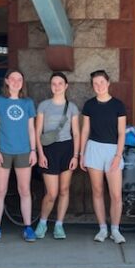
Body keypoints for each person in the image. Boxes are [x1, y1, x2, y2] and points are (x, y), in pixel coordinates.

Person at [0, 69, 37, 243]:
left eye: (20, 79)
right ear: (7, 81)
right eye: (13, 79)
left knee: (24, 190)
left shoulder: (27, 102)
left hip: (24, 150)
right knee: (0, 190)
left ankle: (28, 227)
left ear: (23, 83)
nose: (16, 82)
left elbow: (31, 129)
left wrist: (33, 151)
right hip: (3, 151)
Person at [80, 69, 127, 244]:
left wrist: (118, 155)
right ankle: (102, 228)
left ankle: (115, 229)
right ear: (92, 86)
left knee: (116, 194)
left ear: (108, 83)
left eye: (102, 82)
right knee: (97, 191)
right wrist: (81, 154)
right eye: (95, 83)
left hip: (113, 150)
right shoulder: (89, 105)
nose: (99, 86)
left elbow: (122, 133)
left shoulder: (118, 105)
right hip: (94, 149)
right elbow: (85, 130)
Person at [34, 72, 80, 240]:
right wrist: (40, 153)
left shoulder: (72, 107)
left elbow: (76, 132)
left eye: (60, 83)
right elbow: (38, 131)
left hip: (67, 149)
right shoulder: (44, 106)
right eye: (54, 83)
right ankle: (43, 222)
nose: (57, 86)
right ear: (50, 86)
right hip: (49, 150)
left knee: (64, 190)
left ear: (66, 86)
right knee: (52, 192)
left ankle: (59, 225)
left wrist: (76, 156)